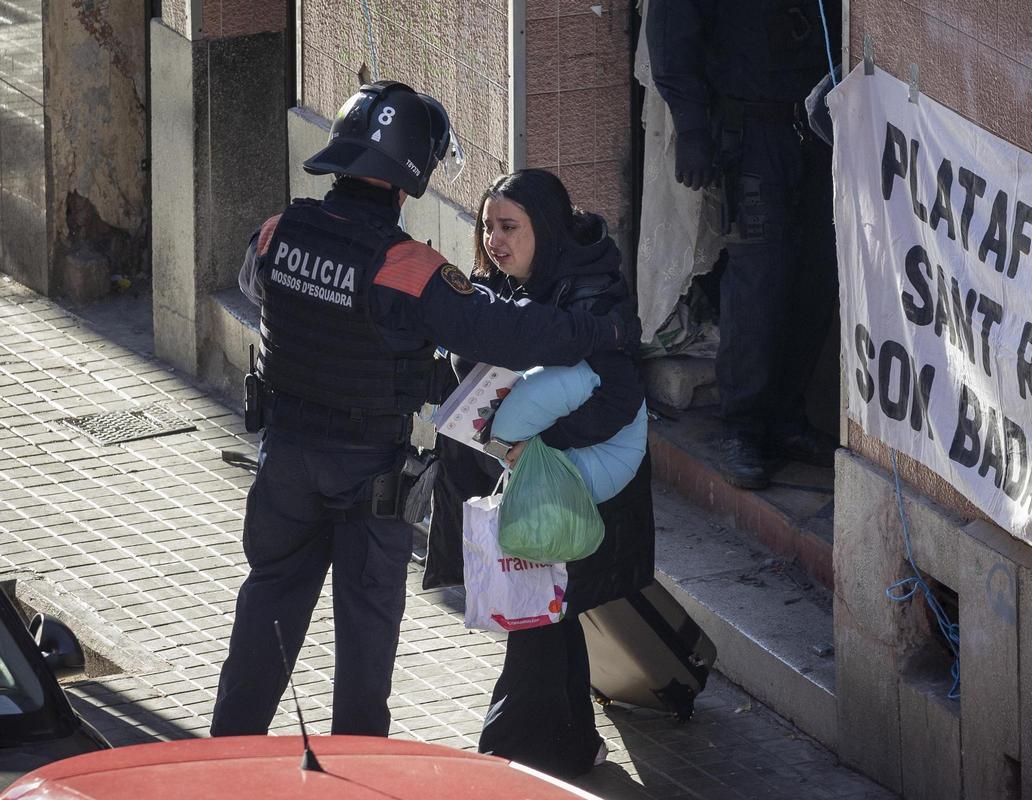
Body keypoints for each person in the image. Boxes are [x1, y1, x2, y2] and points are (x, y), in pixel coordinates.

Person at [209, 83, 640, 738]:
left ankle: (223, 761)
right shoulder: (408, 269)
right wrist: (601, 334)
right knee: (365, 632)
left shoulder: (277, 231)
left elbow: (258, 291)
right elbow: (510, 336)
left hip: (285, 461)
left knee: (267, 605)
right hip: (367, 477)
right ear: (405, 184)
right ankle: (355, 775)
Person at [429, 169, 655, 778]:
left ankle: (515, 752)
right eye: (487, 226)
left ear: (545, 230)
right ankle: (563, 747)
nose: (494, 241)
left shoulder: (591, 295)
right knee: (542, 613)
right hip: (536, 480)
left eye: (510, 227)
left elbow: (615, 399)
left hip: (579, 483)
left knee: (537, 612)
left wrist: (532, 446)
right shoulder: (503, 284)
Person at [646, 1, 841, 489]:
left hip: (822, 131)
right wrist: (692, 129)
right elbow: (671, 38)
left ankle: (786, 418)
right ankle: (745, 428)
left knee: (816, 278)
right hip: (752, 135)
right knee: (759, 283)